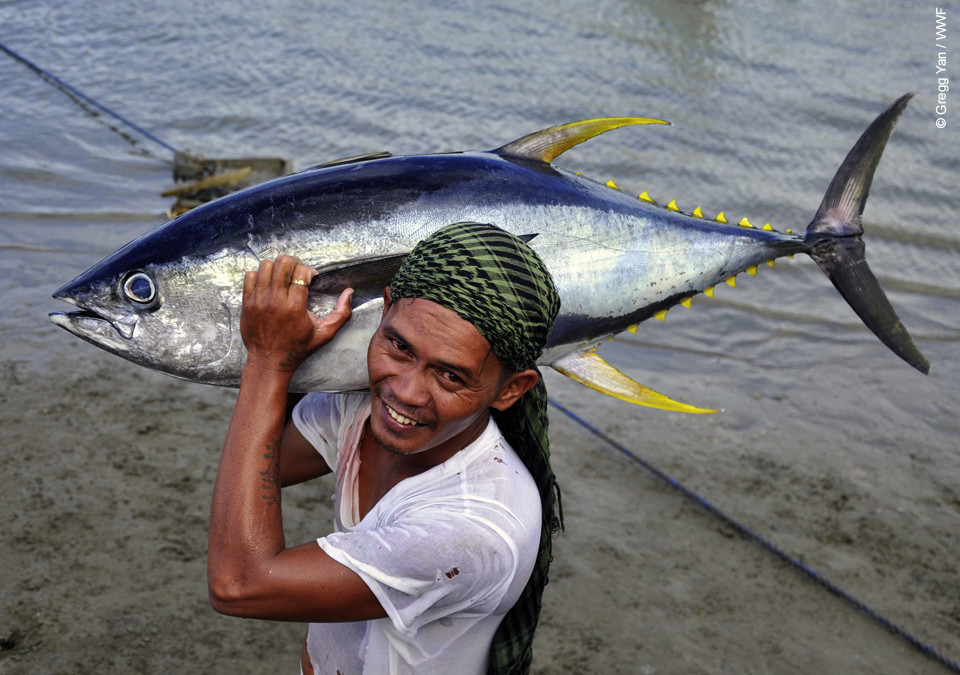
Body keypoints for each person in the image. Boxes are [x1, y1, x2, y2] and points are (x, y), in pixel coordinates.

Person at [207, 222, 563, 674]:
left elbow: (239, 584)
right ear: (386, 308)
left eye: (450, 376)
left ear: (511, 389)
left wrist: (267, 360)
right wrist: (300, 351)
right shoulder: (363, 411)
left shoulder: (474, 529)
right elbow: (257, 468)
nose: (406, 393)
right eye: (399, 346)